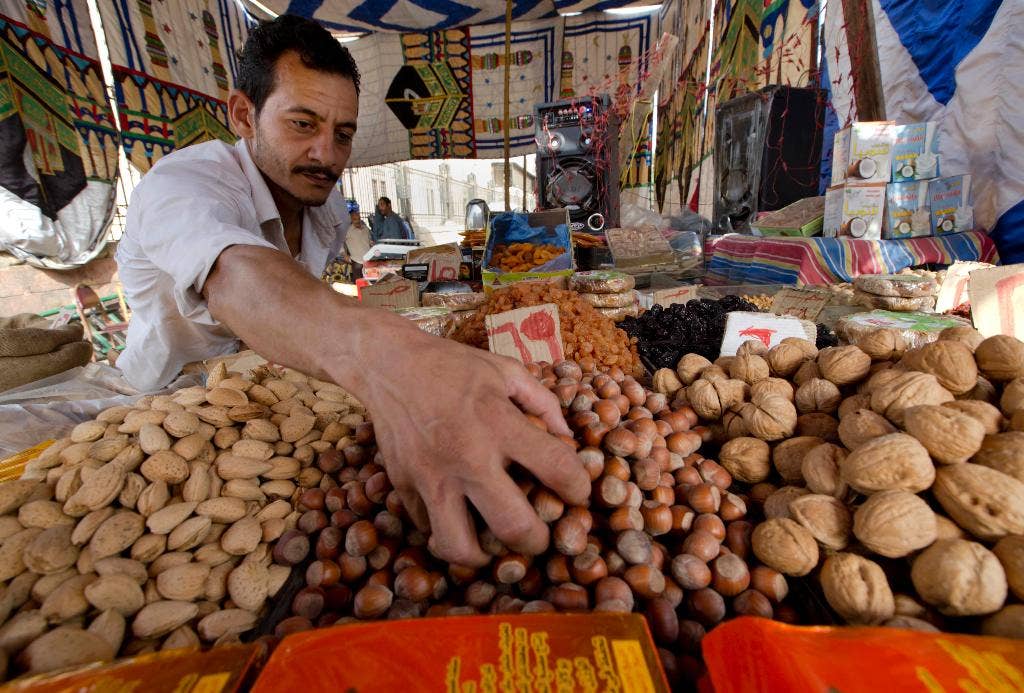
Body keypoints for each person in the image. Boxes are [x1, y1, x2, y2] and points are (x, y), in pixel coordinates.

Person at [114, 15, 588, 566]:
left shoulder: (327, 206)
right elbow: (233, 272)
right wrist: (395, 359)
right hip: (167, 411)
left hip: (281, 403)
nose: (326, 154)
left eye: (342, 134)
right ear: (244, 115)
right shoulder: (181, 186)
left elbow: (307, 295)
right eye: (302, 124)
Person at [343, 199, 371, 277]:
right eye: (355, 219)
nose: (358, 221)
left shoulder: (365, 228)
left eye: (359, 219)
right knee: (360, 284)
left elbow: (369, 241)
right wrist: (344, 254)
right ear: (351, 220)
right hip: (357, 262)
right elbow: (339, 243)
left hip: (369, 260)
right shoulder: (347, 230)